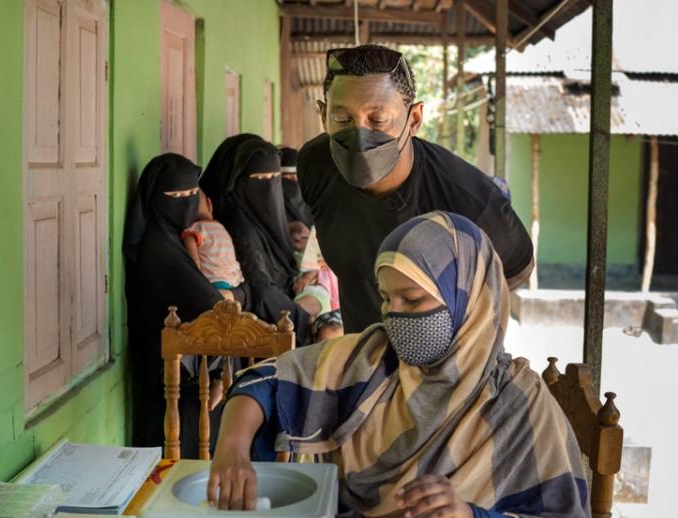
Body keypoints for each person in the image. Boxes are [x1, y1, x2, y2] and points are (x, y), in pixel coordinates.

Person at [208, 212, 594, 518]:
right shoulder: (370, 361)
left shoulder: (516, 401)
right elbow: (264, 383)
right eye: (386, 299)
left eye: (412, 301)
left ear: (465, 299)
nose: (394, 315)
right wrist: (232, 449)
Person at [298, 44, 536, 333]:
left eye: (378, 120)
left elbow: (515, 268)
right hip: (362, 358)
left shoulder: (469, 202)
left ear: (414, 119)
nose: (359, 134)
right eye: (342, 120)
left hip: (445, 366)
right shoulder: (316, 166)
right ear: (323, 115)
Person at [123, 153, 227, 457]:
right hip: (173, 376)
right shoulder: (159, 248)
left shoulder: (171, 236)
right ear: (157, 200)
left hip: (184, 368)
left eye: (191, 194)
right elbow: (208, 304)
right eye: (176, 196)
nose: (185, 202)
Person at [200, 135, 314, 345]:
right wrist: (304, 320)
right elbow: (261, 289)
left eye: (273, 178)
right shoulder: (239, 225)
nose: (268, 187)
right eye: (259, 179)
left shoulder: (263, 220)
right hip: (262, 331)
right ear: (239, 181)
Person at [181, 190, 244, 301]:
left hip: (214, 283)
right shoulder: (221, 228)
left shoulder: (193, 231)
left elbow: (194, 262)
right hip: (234, 282)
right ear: (209, 204)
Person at [280, 146, 313, 226]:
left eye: (297, 177)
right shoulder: (274, 208)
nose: (295, 180)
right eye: (289, 177)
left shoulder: (311, 202)